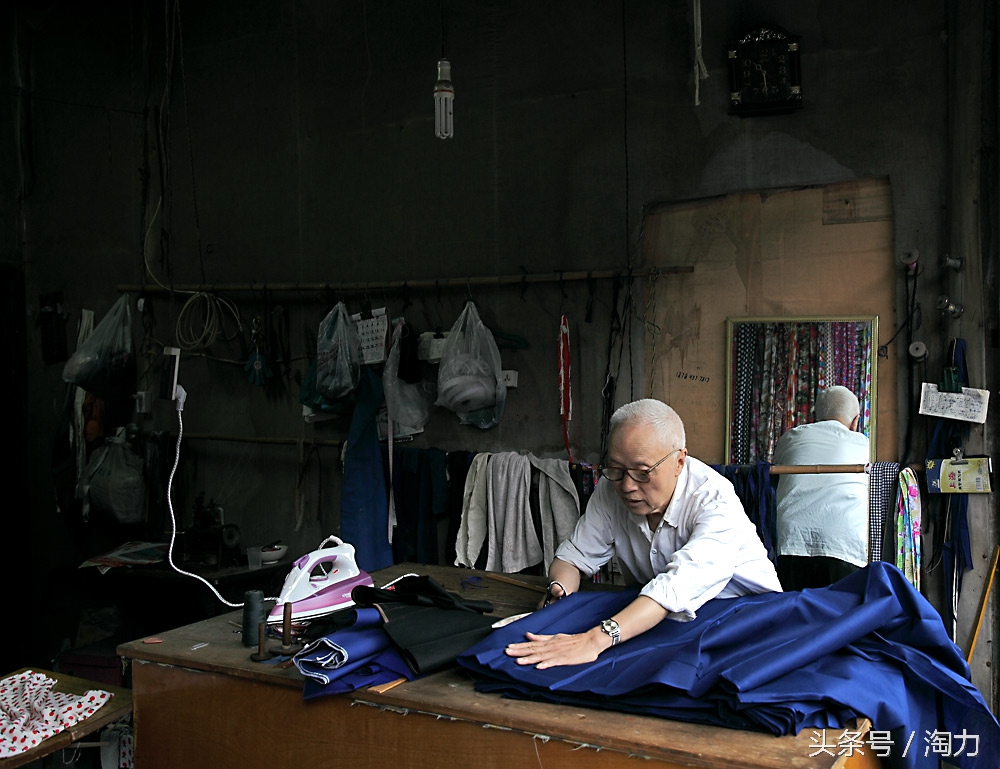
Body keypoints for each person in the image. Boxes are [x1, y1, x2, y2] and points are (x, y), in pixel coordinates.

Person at [505, 398, 782, 670]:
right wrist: (559, 591)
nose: (626, 486)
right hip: (660, 621)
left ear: (679, 462)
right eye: (616, 469)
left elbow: (676, 587)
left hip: (747, 621)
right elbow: (574, 558)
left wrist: (593, 640)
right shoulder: (610, 489)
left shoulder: (714, 500)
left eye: (642, 472)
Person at [771, 385, 871, 591]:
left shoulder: (791, 438)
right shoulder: (863, 445)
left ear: (817, 416)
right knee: (841, 619)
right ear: (855, 421)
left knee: (793, 618)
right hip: (843, 545)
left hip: (792, 543)